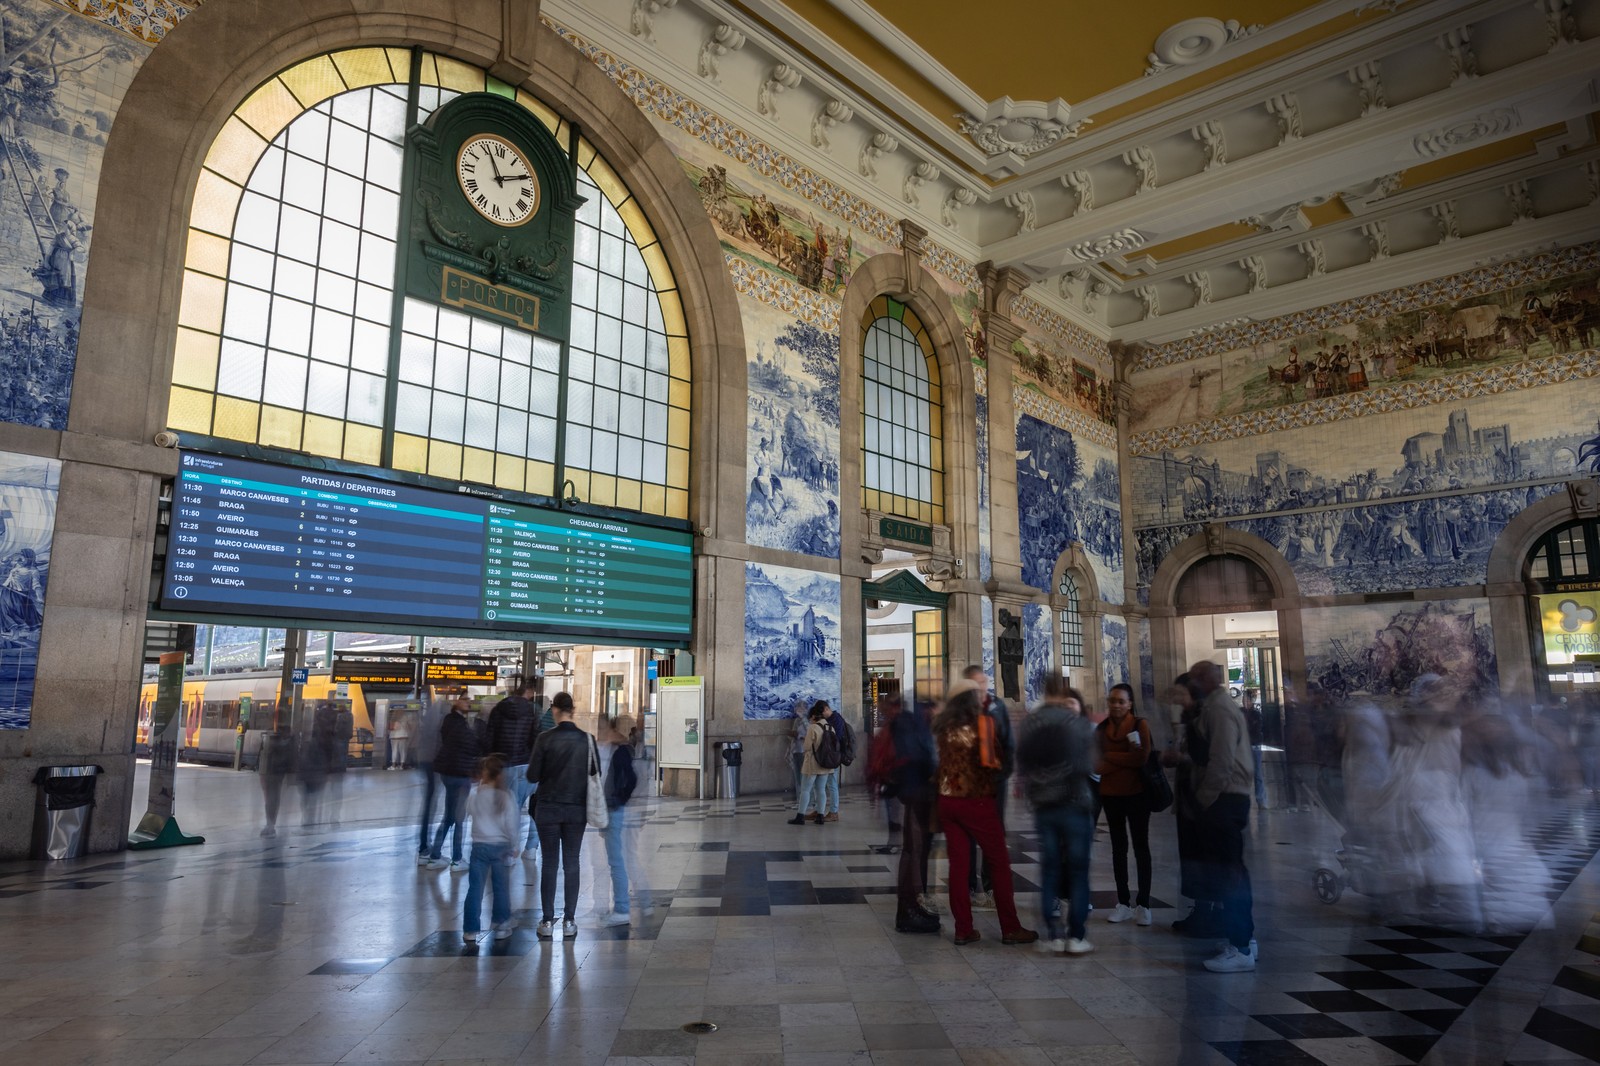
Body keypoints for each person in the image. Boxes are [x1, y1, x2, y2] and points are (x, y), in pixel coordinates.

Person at [933, 678, 1037, 946]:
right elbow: (993, 762)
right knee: (999, 863)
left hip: (947, 801)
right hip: (976, 800)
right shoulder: (982, 724)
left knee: (958, 866)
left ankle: (963, 929)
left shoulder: (944, 727)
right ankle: (1011, 928)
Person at [1017, 676, 1098, 954]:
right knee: (1078, 871)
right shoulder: (1075, 723)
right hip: (1074, 804)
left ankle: (1052, 934)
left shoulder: (1029, 723)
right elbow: (1088, 763)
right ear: (1061, 691)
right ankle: (1076, 936)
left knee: (1049, 869)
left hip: (1044, 805)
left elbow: (1023, 764)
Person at [1188, 661, 1257, 972]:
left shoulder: (1218, 709)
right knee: (1229, 870)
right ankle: (1242, 938)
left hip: (1225, 797)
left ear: (1204, 680)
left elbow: (1222, 758)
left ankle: (1241, 947)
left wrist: (1205, 796)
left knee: (1230, 873)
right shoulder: (1216, 706)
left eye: (1194, 680)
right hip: (1227, 796)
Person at [526, 691, 590, 938]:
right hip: (576, 810)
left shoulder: (544, 739)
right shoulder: (587, 739)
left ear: (554, 710)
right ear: (572, 710)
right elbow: (594, 772)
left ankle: (546, 921)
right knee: (572, 862)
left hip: (549, 809)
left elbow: (532, 775)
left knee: (550, 863)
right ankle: (570, 921)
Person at [1161, 674, 1217, 936]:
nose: (1175, 700)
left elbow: (1213, 761)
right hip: (1187, 799)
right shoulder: (1187, 720)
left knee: (1207, 858)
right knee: (1191, 858)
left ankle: (1216, 914)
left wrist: (1181, 758)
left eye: (1179, 695)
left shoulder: (1209, 719)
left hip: (1203, 800)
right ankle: (1200, 911)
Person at [1096, 682, 1154, 927]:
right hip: (1111, 795)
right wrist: (1122, 759)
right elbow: (1094, 763)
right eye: (1112, 701)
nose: (1116, 705)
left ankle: (1144, 903)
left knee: (1141, 847)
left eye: (1121, 701)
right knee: (1118, 849)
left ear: (1130, 703)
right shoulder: (1101, 729)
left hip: (1138, 794)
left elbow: (1142, 757)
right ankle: (1123, 902)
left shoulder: (1140, 725)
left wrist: (1110, 757)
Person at [963, 664, 1014, 909]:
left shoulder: (997, 706)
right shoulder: (960, 710)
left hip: (995, 780)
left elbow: (1008, 741)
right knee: (969, 833)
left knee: (994, 832)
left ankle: (992, 886)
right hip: (970, 781)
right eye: (976, 683)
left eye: (984, 682)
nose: (982, 687)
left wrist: (1004, 772)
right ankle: (970, 887)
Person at [889, 697, 939, 934]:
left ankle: (912, 906)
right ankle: (909, 911)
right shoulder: (913, 725)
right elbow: (925, 759)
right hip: (917, 793)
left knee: (914, 851)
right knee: (913, 851)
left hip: (912, 793)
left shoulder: (908, 723)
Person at [462, 754, 521, 943]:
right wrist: (514, 844)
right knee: (501, 887)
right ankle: (501, 924)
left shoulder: (475, 794)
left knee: (475, 888)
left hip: (479, 846)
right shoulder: (505, 796)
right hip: (500, 846)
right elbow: (511, 824)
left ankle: (470, 929)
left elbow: (468, 811)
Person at [590, 715, 638, 926]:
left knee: (616, 861)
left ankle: (621, 908)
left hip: (613, 809)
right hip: (605, 809)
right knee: (606, 860)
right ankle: (603, 906)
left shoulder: (619, 751)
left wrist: (618, 799)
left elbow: (630, 779)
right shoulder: (604, 748)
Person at [426, 697, 481, 872]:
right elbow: (471, 745)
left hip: (447, 772)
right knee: (459, 819)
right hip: (460, 773)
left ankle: (435, 856)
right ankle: (457, 859)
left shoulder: (448, 722)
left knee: (449, 817)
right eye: (465, 700)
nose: (468, 703)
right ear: (456, 703)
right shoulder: (460, 725)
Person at [487, 680, 541, 844]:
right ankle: (528, 847)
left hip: (504, 765)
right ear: (528, 691)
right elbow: (534, 738)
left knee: (508, 809)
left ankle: (507, 849)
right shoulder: (531, 711)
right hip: (524, 763)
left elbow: (490, 736)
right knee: (528, 805)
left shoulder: (499, 708)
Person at [788, 702, 832, 826]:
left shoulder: (813, 727)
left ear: (813, 716)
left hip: (812, 763)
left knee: (805, 789)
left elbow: (807, 746)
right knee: (821, 790)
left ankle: (800, 816)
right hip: (825, 763)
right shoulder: (829, 726)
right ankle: (820, 816)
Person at [415, 698, 446, 865]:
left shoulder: (434, 710)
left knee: (429, 804)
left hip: (427, 760)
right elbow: (439, 738)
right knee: (433, 805)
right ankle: (427, 850)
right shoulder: (443, 709)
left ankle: (424, 847)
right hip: (435, 762)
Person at [258, 723, 295, 838]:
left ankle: (270, 824)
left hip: (274, 773)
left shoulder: (276, 741)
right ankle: (271, 824)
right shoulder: (287, 742)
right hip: (274, 773)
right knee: (272, 799)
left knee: (271, 799)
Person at [824, 702, 854, 821]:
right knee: (831, 784)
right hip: (835, 755)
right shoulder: (835, 718)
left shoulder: (835, 720)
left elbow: (837, 738)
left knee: (832, 784)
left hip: (835, 756)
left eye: (822, 713)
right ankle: (830, 811)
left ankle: (834, 812)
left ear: (827, 709)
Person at [788, 700, 808, 807]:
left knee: (804, 778)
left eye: (800, 709)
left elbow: (809, 732)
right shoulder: (796, 721)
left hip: (804, 751)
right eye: (797, 709)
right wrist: (792, 735)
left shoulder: (807, 720)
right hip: (796, 750)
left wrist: (800, 736)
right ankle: (799, 800)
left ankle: (806, 802)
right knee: (798, 778)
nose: (798, 711)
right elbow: (793, 733)